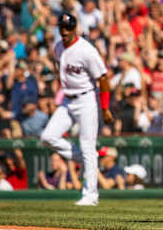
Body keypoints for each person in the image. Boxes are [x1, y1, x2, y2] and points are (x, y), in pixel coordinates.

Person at [40, 13, 114, 206]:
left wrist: (105, 108)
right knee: (48, 137)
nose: (64, 31)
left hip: (86, 99)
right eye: (62, 27)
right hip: (67, 99)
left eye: (68, 27)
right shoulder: (58, 47)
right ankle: (84, 157)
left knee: (88, 146)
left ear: (75, 28)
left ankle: (91, 196)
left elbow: (103, 78)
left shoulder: (86, 50)